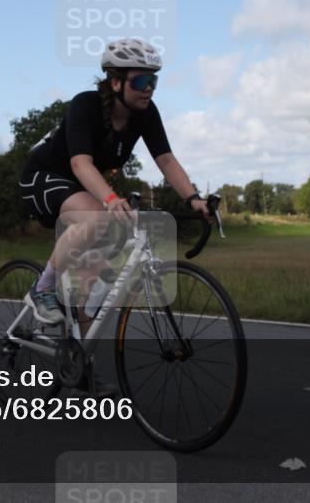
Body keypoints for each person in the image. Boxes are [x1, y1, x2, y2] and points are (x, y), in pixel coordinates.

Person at [18, 39, 212, 394]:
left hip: (82, 184)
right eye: (141, 82)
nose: (149, 89)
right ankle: (42, 288)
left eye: (154, 81)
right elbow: (80, 163)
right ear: (116, 82)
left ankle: (79, 359)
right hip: (44, 179)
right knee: (97, 219)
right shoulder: (86, 105)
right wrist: (109, 198)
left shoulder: (146, 115)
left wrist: (194, 198)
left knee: (97, 278)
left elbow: (166, 160)